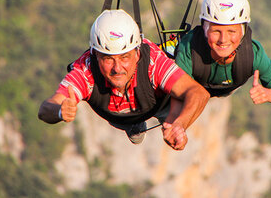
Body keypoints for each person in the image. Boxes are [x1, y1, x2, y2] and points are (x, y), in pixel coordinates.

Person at [38, 9, 210, 150]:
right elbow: (46, 108)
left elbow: (198, 93)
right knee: (132, 125)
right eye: (108, 59)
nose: (117, 68)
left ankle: (163, 120)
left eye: (124, 57)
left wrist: (180, 124)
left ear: (137, 53)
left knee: (173, 112)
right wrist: (60, 111)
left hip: (156, 104)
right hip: (119, 117)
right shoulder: (85, 70)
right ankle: (134, 126)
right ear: (95, 55)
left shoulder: (152, 62)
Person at [175, 0, 271, 113]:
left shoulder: (252, 55)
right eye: (216, 31)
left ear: (243, 32)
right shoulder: (189, 49)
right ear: (204, 30)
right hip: (190, 89)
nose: (223, 39)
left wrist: (268, 95)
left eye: (231, 31)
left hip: (225, 85)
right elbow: (175, 106)